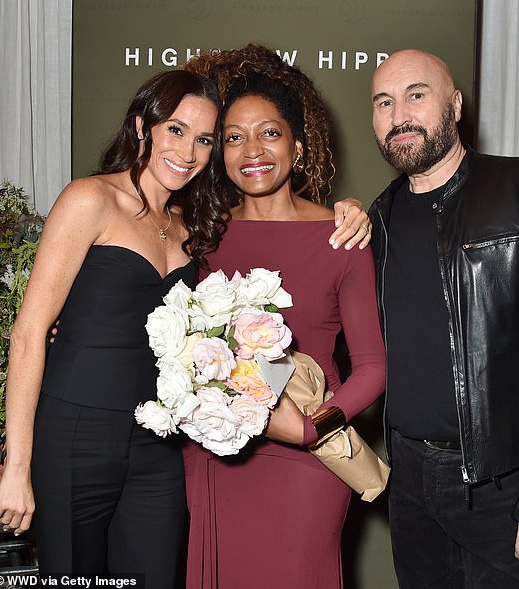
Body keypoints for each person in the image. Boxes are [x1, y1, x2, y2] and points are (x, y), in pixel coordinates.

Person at [0, 68, 369, 583]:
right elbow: (30, 333)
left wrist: (348, 212)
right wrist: (16, 466)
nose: (188, 151)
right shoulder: (90, 200)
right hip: (77, 434)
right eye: (176, 130)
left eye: (205, 140)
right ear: (144, 127)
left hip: (161, 443)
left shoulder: (197, 228)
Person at [368, 49, 519, 588]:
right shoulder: (378, 216)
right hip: (407, 477)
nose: (399, 114)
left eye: (416, 95)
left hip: (500, 484)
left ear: (454, 105)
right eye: (384, 102)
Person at [182, 45, 386, 589]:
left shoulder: (342, 237)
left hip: (306, 462)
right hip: (218, 455)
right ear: (218, 153)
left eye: (269, 133)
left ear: (297, 147)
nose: (252, 150)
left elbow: (372, 368)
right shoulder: (203, 238)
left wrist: (308, 429)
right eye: (233, 137)